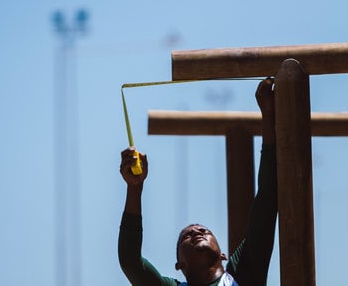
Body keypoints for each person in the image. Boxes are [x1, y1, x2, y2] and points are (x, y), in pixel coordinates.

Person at [118, 78, 278, 286]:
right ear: (179, 265)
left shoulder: (243, 274)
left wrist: (268, 114)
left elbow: (267, 201)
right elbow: (130, 262)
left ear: (223, 255)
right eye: (186, 236)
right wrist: (134, 188)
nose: (197, 233)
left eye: (204, 231)